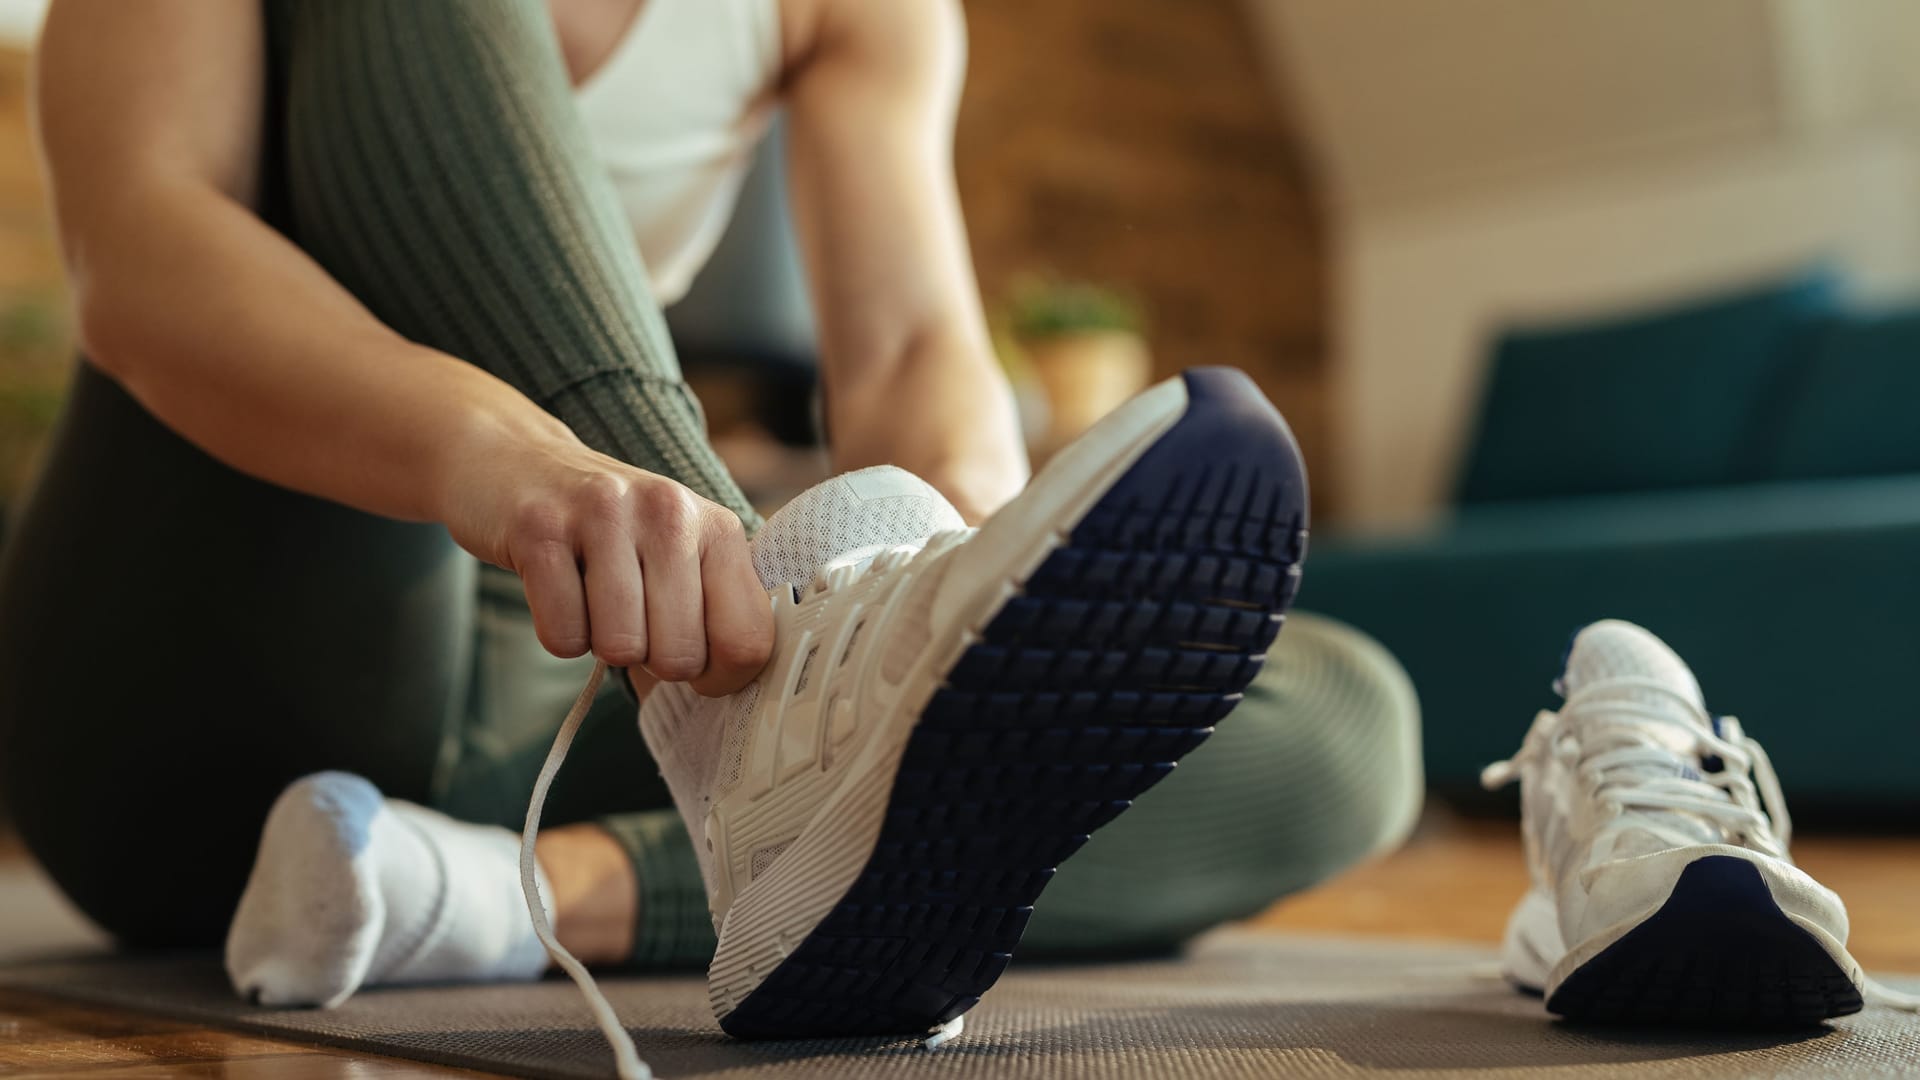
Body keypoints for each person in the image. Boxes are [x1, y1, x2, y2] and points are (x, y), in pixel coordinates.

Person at [0, 0, 1421, 1049]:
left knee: (1349, 719)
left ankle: (529, 893)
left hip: (556, 677)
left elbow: (917, 351)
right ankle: (753, 721)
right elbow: (141, 250)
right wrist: (517, 461)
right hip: (206, 682)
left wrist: (976, 586)